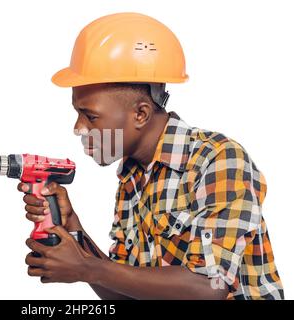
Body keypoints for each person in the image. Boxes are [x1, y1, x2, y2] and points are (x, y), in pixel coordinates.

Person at [18, 12, 284, 300]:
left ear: (141, 114)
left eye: (90, 116)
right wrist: (75, 228)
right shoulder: (132, 178)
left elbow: (208, 289)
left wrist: (86, 268)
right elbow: (124, 292)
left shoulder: (219, 160)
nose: (78, 128)